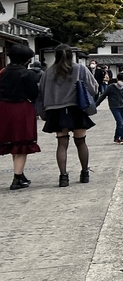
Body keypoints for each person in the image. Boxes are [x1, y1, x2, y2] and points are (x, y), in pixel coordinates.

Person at [36, 45, 99, 187]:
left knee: (62, 144)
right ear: (72, 55)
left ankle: (63, 177)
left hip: (56, 111)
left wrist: (44, 112)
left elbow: (41, 93)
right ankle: (84, 173)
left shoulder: (48, 72)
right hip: (76, 109)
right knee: (81, 142)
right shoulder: (80, 69)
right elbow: (94, 88)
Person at [1, 44, 42, 190]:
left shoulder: (3, 72)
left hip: (4, 108)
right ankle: (17, 178)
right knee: (21, 144)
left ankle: (20, 173)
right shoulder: (27, 74)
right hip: (22, 108)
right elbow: (33, 94)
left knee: (12, 142)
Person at [96, 72, 123, 144]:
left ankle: (117, 138)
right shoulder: (111, 87)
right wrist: (96, 105)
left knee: (120, 123)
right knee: (120, 122)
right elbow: (103, 96)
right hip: (114, 107)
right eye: (122, 81)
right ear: (118, 79)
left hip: (122, 107)